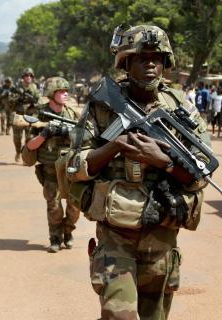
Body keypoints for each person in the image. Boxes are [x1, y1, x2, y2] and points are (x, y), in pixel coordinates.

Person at [66, 25, 210, 319]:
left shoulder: (182, 108)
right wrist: (115, 145)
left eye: (157, 58)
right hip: (115, 234)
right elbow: (73, 166)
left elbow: (200, 174)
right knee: (119, 315)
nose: (150, 64)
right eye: (141, 58)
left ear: (165, 64)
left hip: (162, 233)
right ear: (125, 63)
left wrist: (163, 161)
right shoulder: (102, 106)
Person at [25, 77, 80, 252]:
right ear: (51, 94)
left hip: (71, 168)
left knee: (75, 207)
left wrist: (69, 133)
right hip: (50, 169)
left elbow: (87, 139)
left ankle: (68, 231)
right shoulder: (38, 116)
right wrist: (45, 134)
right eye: (61, 92)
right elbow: (29, 146)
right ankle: (55, 238)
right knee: (54, 207)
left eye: (66, 91)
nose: (65, 94)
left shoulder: (73, 114)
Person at [12, 68, 40, 162]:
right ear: (23, 77)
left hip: (30, 116)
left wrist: (33, 103)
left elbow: (39, 101)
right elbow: (10, 100)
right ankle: (18, 152)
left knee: (29, 138)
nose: (28, 77)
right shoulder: (17, 87)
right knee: (17, 138)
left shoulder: (34, 88)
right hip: (19, 115)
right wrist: (18, 99)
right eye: (26, 76)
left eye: (30, 76)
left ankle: (25, 157)